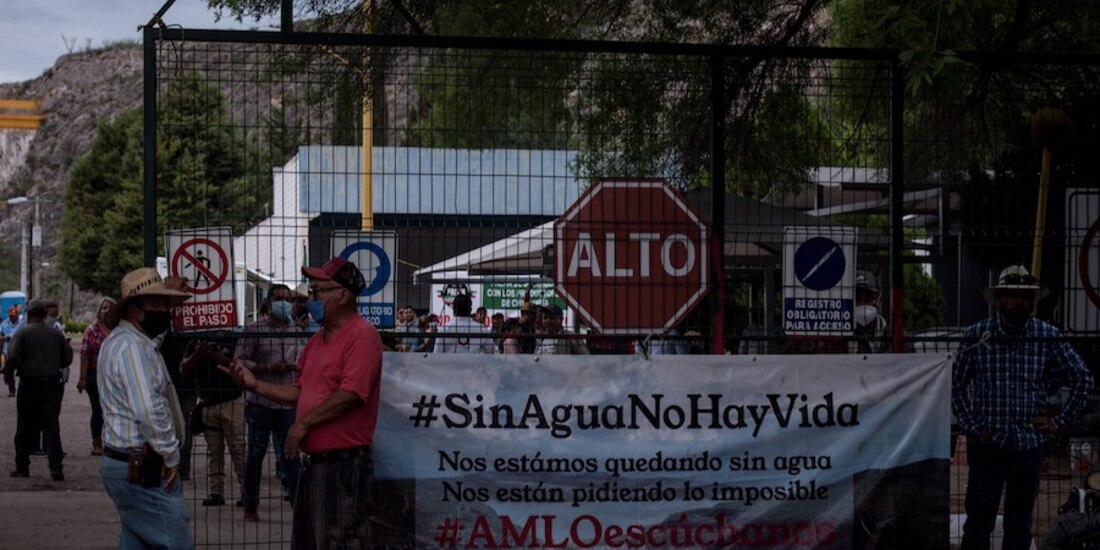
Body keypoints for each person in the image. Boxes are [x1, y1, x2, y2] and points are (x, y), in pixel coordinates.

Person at [226, 257, 383, 549]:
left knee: (339, 541)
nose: (310, 299)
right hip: (316, 466)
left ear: (343, 294)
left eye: (317, 291)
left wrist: (303, 425)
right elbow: (301, 392)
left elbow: (350, 394)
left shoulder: (362, 336)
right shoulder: (317, 340)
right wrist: (256, 385)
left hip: (342, 466)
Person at [953, 265, 1094, 550]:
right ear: (1000, 299)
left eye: (1026, 297)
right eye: (1014, 296)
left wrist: (1058, 421)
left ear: (1033, 301)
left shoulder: (1046, 335)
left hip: (1028, 446)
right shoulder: (978, 335)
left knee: (1019, 526)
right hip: (987, 443)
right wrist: (971, 426)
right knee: (979, 522)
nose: (1020, 302)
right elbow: (955, 385)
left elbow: (1083, 378)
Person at [97, 267, 193, 549]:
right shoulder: (133, 349)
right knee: (175, 541)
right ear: (134, 311)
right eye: (158, 304)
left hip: (127, 463)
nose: (165, 311)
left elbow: (151, 345)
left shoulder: (126, 342)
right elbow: (148, 409)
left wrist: (169, 288)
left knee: (136, 541)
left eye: (167, 304)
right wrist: (170, 454)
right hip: (143, 466)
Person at [234, 284, 304, 521]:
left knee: (291, 456)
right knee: (255, 454)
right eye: (279, 299)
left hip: (287, 402)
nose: (285, 303)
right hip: (260, 402)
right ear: (269, 302)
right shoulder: (255, 329)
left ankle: (299, 506)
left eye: (288, 299)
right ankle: (250, 504)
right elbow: (239, 360)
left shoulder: (296, 330)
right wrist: (265, 369)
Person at [4, 299, 71, 480]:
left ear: (30, 314)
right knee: (51, 427)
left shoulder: (23, 333)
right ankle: (56, 469)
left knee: (24, 426)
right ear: (44, 314)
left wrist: (7, 374)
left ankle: (22, 467)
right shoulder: (56, 334)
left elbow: (12, 358)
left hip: (29, 385)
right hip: (51, 385)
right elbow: (67, 359)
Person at [182, 335, 245, 508]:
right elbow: (184, 370)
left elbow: (243, 367)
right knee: (213, 450)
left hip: (231, 400)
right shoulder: (195, 341)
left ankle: (247, 490)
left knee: (238, 448)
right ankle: (216, 491)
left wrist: (220, 358)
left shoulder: (231, 338)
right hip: (207, 402)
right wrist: (198, 354)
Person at [78, 297, 115, 456]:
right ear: (99, 311)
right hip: (94, 375)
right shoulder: (91, 331)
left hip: (114, 376)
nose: (106, 310)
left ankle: (113, 443)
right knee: (98, 409)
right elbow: (85, 356)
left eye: (109, 308)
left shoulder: (117, 330)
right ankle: (97, 443)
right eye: (104, 308)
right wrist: (82, 378)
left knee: (114, 410)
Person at [850, 270, 888, 354]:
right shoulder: (842, 335)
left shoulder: (891, 333)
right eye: (858, 299)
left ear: (879, 300)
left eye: (869, 298)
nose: (863, 304)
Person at [1, 306, 23, 396]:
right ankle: (12, 391)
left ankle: (23, 390)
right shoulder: (4, 323)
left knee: (23, 371)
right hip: (8, 351)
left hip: (20, 352)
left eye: (13, 316)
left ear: (17, 315)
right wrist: (5, 338)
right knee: (9, 372)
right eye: (10, 316)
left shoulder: (22, 324)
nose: (12, 317)